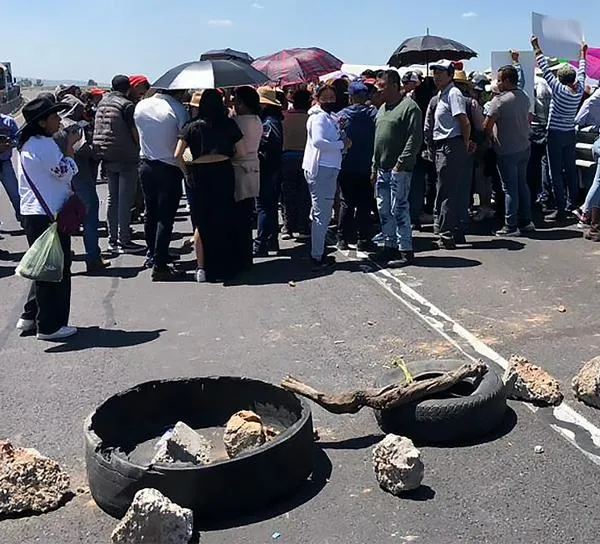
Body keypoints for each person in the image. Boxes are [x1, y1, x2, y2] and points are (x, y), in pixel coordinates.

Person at [15, 96, 79, 341]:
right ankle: (50, 325)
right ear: (42, 122)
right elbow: (63, 172)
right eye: (54, 117)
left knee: (42, 265)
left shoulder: (28, 144)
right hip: (49, 214)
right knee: (55, 271)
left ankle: (30, 315)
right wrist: (71, 150)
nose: (59, 121)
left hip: (34, 213)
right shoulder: (44, 145)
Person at [175, 89, 243, 282]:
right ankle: (225, 265)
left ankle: (202, 268)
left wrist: (186, 172)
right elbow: (241, 150)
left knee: (200, 222)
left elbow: (177, 155)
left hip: (198, 173)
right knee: (223, 217)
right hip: (223, 171)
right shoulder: (228, 124)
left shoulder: (191, 126)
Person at [135, 88, 188, 281]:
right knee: (166, 216)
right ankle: (160, 263)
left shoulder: (141, 106)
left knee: (151, 212)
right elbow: (184, 137)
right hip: (169, 165)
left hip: (146, 163)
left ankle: (154, 253)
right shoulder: (178, 109)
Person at [533, 36, 587, 221]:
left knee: (555, 172)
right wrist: (582, 54)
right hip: (569, 133)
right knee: (570, 169)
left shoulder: (558, 89)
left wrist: (536, 47)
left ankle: (561, 208)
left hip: (555, 133)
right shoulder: (579, 90)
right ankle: (574, 203)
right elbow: (582, 70)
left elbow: (545, 69)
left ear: (560, 79)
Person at [372, 70, 423, 266]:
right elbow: (378, 140)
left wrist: (401, 162)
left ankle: (405, 250)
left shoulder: (410, 108)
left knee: (399, 208)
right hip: (382, 169)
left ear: (394, 85)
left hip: (398, 169)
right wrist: (374, 167)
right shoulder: (382, 108)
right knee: (383, 209)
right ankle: (389, 246)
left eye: (382, 86)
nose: (378, 89)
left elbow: (414, 138)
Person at [54, 95, 110, 273]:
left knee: (62, 220)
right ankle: (93, 257)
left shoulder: (54, 127)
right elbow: (82, 149)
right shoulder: (73, 127)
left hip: (58, 180)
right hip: (80, 176)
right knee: (90, 215)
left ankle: (63, 259)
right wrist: (97, 152)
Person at [92, 75, 142, 253]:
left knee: (113, 198)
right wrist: (140, 148)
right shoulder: (126, 105)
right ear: (128, 88)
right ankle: (124, 240)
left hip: (106, 154)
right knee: (125, 199)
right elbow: (134, 131)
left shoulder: (103, 103)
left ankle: (112, 240)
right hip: (125, 155)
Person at [484, 65, 534, 236]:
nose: (497, 83)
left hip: (506, 149)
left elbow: (486, 126)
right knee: (522, 185)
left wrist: (491, 139)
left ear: (506, 80)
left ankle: (510, 225)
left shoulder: (499, 101)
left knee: (509, 188)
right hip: (523, 146)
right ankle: (526, 220)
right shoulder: (524, 97)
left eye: (499, 80)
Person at [426, 60, 471, 249]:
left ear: (450, 75)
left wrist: (465, 142)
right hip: (446, 145)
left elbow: (464, 121)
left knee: (446, 191)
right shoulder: (442, 94)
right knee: (450, 190)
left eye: (441, 73)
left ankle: (446, 234)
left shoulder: (453, 94)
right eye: (435, 72)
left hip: (451, 145)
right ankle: (454, 231)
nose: (437, 76)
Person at [303, 85, 348, 270]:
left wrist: (340, 129)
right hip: (323, 169)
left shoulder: (327, 116)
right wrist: (341, 144)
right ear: (317, 98)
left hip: (326, 168)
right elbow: (319, 141)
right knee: (322, 214)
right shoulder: (319, 117)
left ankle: (318, 251)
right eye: (325, 97)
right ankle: (317, 255)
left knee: (320, 212)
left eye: (332, 96)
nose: (330, 100)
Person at [336, 81, 377, 251]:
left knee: (346, 202)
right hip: (367, 165)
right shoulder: (374, 114)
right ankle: (363, 239)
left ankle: (342, 238)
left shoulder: (341, 116)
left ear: (351, 97)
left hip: (346, 165)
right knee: (365, 203)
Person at [232, 86, 263, 271]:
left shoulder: (236, 122)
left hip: (238, 166)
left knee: (236, 215)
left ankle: (238, 255)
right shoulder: (257, 119)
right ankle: (247, 256)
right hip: (254, 165)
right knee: (247, 214)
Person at [254, 87, 284, 257]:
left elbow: (270, 144)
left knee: (264, 206)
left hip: (267, 168)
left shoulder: (269, 123)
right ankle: (271, 240)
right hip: (272, 168)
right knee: (269, 206)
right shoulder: (272, 120)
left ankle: (261, 243)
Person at [281, 89, 312, 240]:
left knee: (288, 194)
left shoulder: (284, 117)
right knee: (304, 194)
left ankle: (288, 226)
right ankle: (303, 226)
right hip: (306, 158)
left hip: (286, 158)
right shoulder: (310, 118)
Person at [0, 112, 21, 220]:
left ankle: (23, 220)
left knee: (15, 194)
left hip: (5, 163)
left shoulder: (8, 121)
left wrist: (8, 144)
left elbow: (19, 138)